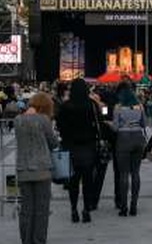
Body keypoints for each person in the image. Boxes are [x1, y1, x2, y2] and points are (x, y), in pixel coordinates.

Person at [15, 93, 59, 244]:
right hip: (42, 170)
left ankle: (26, 240)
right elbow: (53, 143)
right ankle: (38, 241)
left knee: (26, 210)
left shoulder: (18, 120)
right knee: (41, 210)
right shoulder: (44, 120)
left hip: (23, 169)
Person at [55, 78, 99, 223]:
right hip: (88, 147)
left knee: (73, 182)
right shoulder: (91, 105)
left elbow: (59, 125)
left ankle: (73, 209)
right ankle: (86, 209)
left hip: (70, 147)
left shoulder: (66, 106)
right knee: (88, 181)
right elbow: (99, 122)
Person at [112, 85, 146, 217]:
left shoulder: (118, 108)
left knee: (124, 174)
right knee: (136, 173)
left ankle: (124, 207)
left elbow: (115, 127)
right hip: (138, 138)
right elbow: (143, 124)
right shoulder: (140, 107)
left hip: (123, 139)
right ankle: (134, 206)